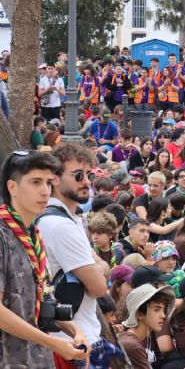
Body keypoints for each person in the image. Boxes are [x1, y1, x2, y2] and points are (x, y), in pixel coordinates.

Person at [0, 150, 90, 366]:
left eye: (48, 183)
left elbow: (43, 297)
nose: (44, 191)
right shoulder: (3, 234)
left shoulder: (33, 234)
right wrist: (52, 342)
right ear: (12, 187)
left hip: (37, 359)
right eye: (35, 182)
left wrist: (74, 330)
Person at [37, 143, 109, 366]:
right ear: (54, 178)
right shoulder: (61, 226)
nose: (87, 182)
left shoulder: (64, 219)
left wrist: (96, 267)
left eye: (89, 174)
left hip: (74, 339)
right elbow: (99, 287)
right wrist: (99, 267)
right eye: (78, 175)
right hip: (74, 344)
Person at [118, 284, 175, 369]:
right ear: (139, 314)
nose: (163, 315)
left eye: (163, 310)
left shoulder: (145, 337)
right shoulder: (132, 346)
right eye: (157, 310)